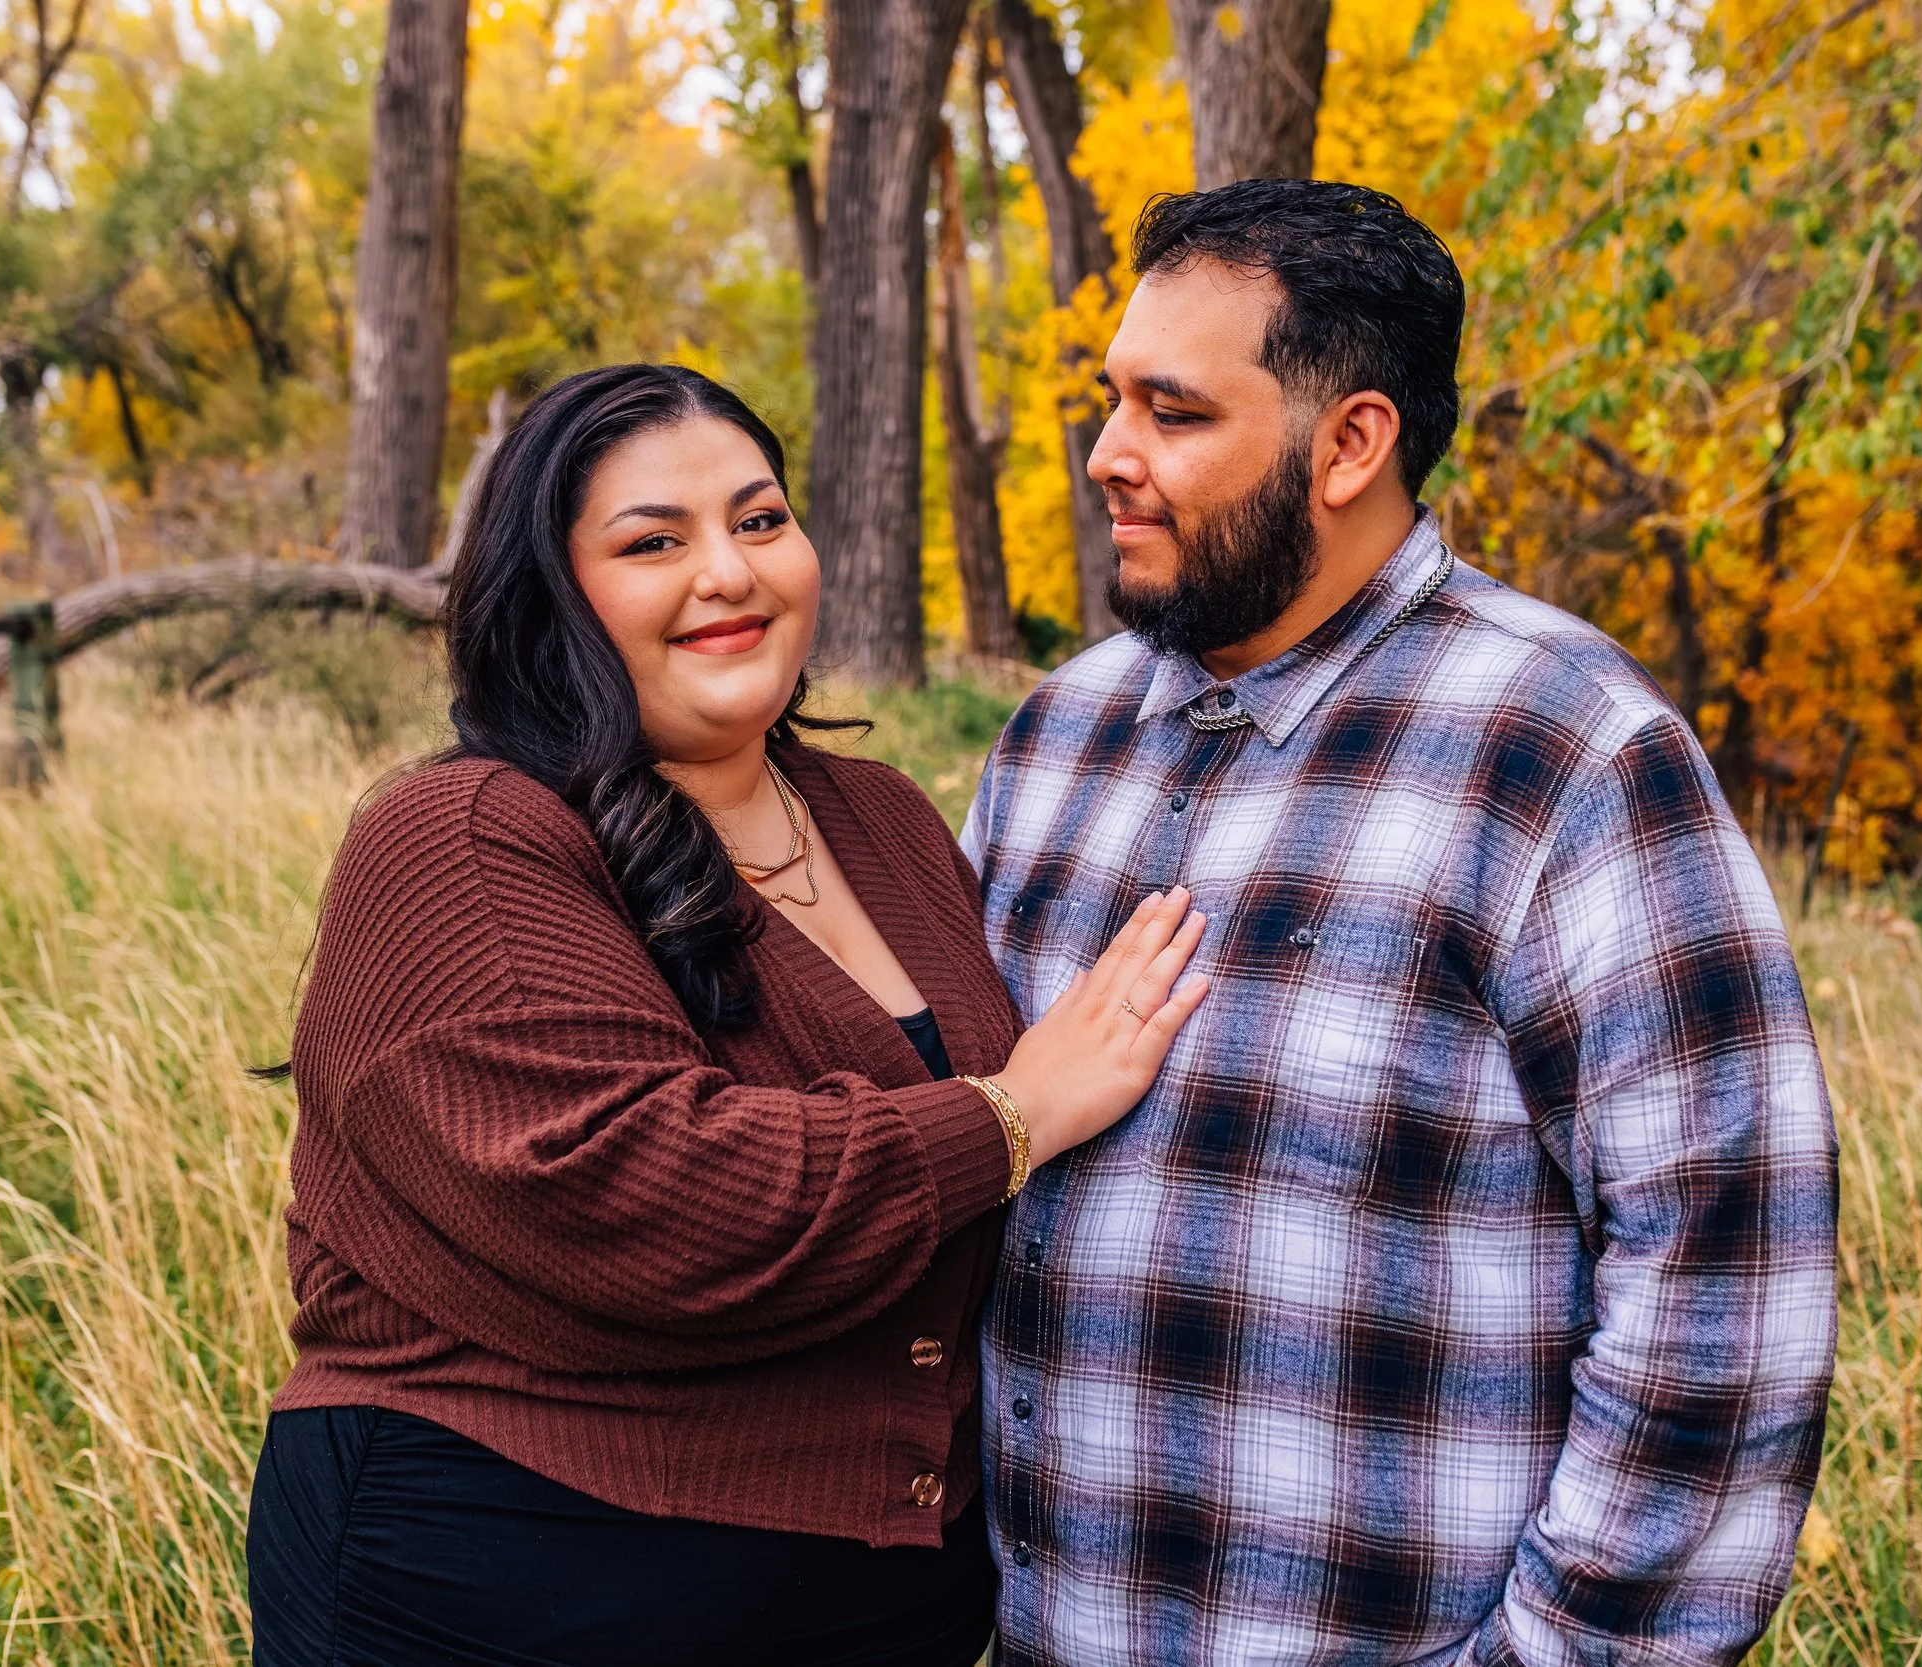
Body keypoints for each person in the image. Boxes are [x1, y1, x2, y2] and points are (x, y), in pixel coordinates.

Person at [967, 181, 1840, 1665]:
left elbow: (1725, 1287)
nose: (1107, 455)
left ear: (1351, 442)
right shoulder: (1056, 740)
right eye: (1110, 400)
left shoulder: (1567, 747)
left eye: (1173, 414)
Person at [246, 362, 1210, 1667]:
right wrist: (1016, 1113)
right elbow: (640, 1201)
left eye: (761, 521)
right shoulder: (469, 836)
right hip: (509, 1584)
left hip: (875, 1607)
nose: (732, 572)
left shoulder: (881, 819)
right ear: (555, 592)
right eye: (655, 541)